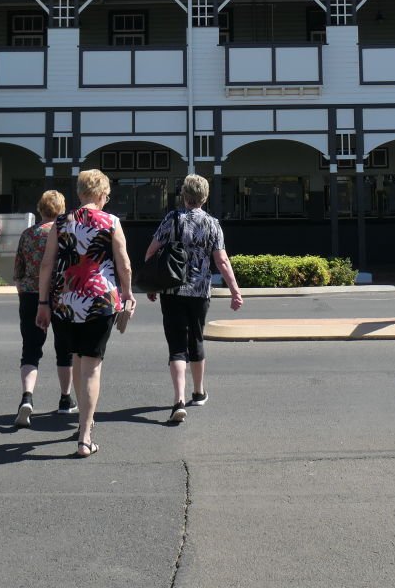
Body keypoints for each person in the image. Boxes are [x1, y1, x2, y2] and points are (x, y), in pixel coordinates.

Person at [36, 169, 136, 457]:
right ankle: (85, 434)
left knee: (78, 360)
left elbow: (46, 264)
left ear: (80, 193)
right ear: (102, 193)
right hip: (100, 300)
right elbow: (124, 263)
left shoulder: (61, 221)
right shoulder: (111, 221)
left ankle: (82, 423)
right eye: (106, 194)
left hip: (66, 302)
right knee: (92, 365)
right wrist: (128, 294)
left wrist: (43, 303)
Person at [143, 173, 243, 424]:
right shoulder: (212, 224)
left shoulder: (171, 219)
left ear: (184, 196)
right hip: (199, 293)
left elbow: (151, 252)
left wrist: (151, 284)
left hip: (172, 290)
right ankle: (198, 392)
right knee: (195, 339)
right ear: (205, 197)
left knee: (176, 346)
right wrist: (234, 290)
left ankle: (178, 400)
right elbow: (221, 260)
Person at [12, 189, 75, 427]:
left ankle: (27, 397)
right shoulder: (65, 233)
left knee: (30, 349)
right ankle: (65, 398)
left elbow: (18, 272)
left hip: (30, 295)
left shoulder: (29, 234)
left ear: (40, 209)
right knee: (65, 349)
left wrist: (25, 293)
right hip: (60, 294)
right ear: (61, 209)